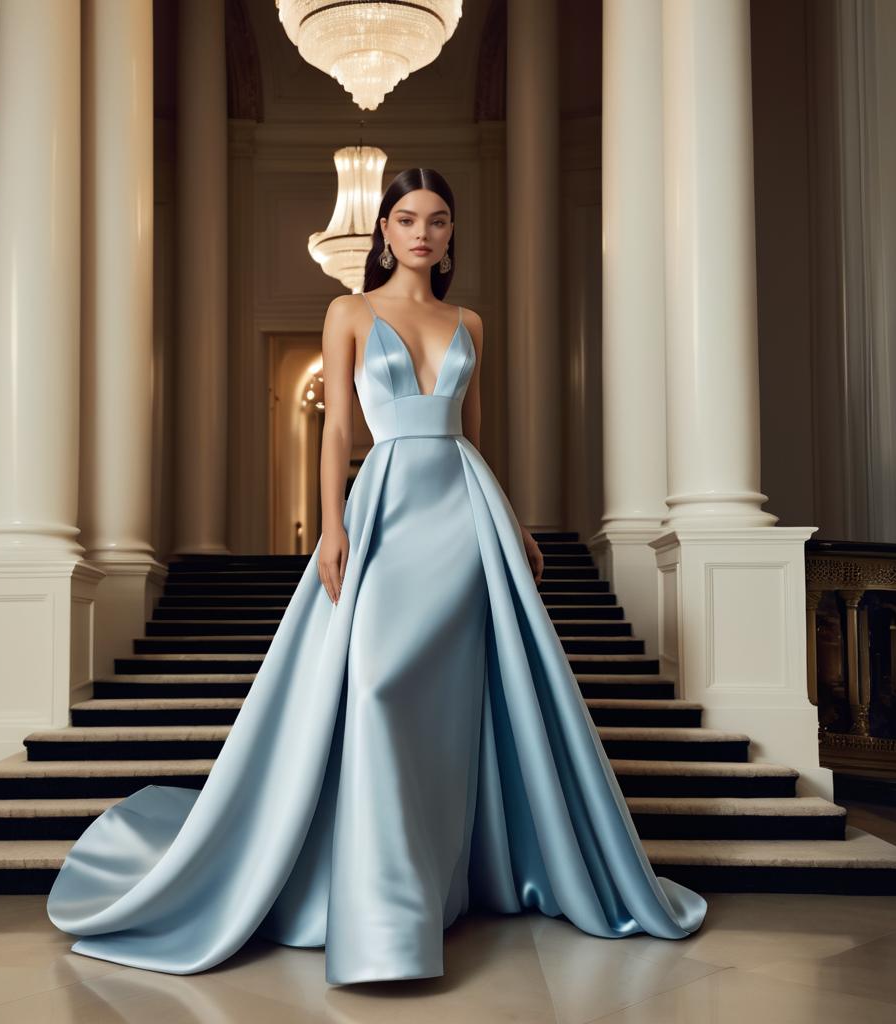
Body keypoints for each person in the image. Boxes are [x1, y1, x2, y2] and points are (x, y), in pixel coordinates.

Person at [46, 167, 707, 986]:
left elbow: (475, 437)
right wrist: (332, 527)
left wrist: (513, 521)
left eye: (436, 219)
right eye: (405, 218)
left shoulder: (470, 321)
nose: (421, 232)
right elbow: (333, 437)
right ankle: (383, 911)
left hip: (463, 519)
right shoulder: (348, 312)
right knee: (382, 688)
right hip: (386, 512)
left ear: (450, 234)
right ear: (384, 233)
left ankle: (433, 885)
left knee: (452, 707)